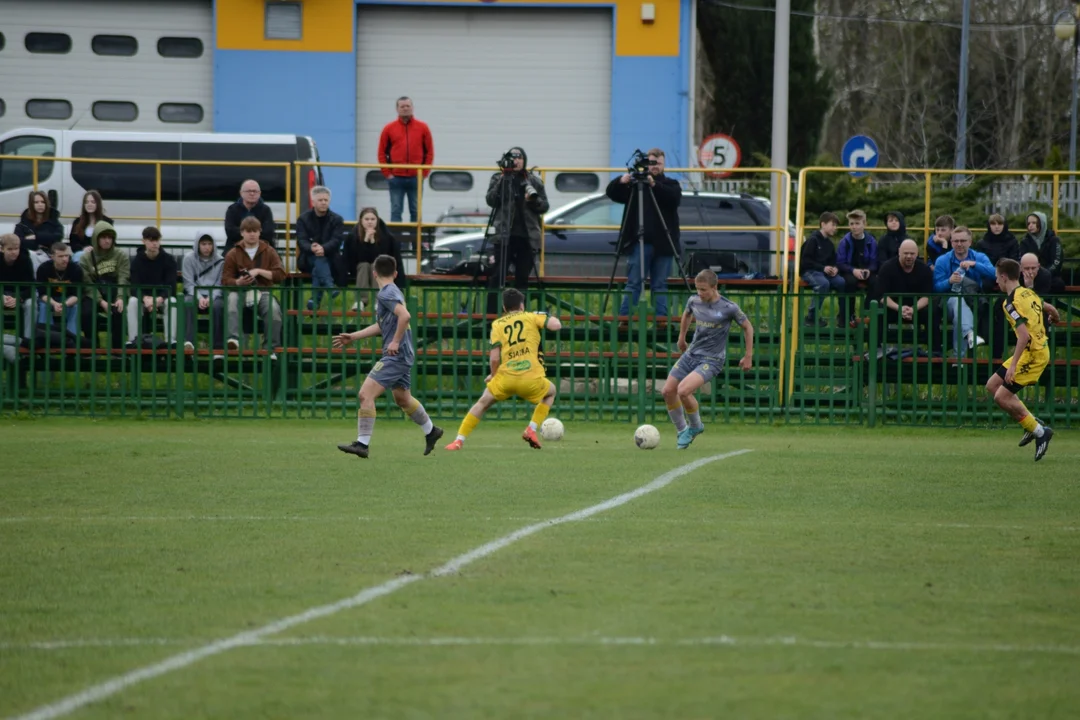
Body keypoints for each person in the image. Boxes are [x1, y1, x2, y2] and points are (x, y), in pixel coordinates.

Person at [333, 254, 443, 458]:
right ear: (395, 273)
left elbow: (405, 316)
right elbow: (383, 325)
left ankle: (362, 444)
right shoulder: (394, 291)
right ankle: (431, 431)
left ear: (374, 273)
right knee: (403, 399)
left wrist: (394, 341)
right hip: (403, 354)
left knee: (365, 395)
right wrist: (354, 336)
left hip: (396, 354)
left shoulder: (386, 294)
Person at [444, 287, 562, 451]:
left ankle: (458, 441)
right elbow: (556, 325)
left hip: (506, 378)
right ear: (522, 306)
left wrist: (493, 375)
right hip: (530, 378)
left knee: (482, 403)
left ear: (504, 308)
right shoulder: (532, 317)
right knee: (551, 392)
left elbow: (494, 358)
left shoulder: (498, 324)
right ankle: (531, 429)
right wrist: (542, 314)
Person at [662, 269, 753, 450]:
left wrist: (748, 355)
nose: (700, 293)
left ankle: (695, 426)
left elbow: (748, 327)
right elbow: (687, 314)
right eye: (697, 289)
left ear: (715, 287)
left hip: (712, 359)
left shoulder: (729, 308)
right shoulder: (694, 300)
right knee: (667, 391)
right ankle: (682, 431)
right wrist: (682, 337)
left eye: (704, 290)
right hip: (691, 354)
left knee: (683, 391)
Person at [985, 258, 1059, 461]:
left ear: (1003, 277)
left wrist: (1014, 365)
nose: (996, 283)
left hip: (1033, 354)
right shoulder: (1028, 292)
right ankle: (1032, 423)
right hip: (1032, 350)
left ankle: (1041, 432)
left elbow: (1024, 336)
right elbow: (1050, 309)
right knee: (992, 385)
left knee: (1001, 397)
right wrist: (1056, 317)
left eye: (997, 278)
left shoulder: (1009, 303)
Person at [607, 148, 682, 327]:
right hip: (639, 242)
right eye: (652, 163)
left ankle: (661, 320)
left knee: (660, 284)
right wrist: (621, 181)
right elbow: (612, 193)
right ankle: (625, 319)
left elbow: (674, 199)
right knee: (634, 282)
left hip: (664, 244)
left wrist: (653, 184)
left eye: (658, 163)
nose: (655, 167)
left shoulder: (670, 184)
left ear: (664, 164)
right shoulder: (635, 187)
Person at [484, 146, 549, 315]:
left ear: (524, 160)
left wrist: (532, 201)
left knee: (522, 279)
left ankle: (520, 316)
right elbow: (491, 200)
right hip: (504, 236)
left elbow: (544, 206)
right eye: (513, 158)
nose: (516, 161)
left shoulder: (533, 181)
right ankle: (492, 316)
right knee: (498, 276)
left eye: (520, 158)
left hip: (527, 237)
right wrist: (503, 179)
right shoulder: (499, 178)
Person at [222, 216, 285, 354]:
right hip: (239, 291)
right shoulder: (233, 253)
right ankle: (233, 340)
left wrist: (258, 271)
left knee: (274, 311)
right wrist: (238, 282)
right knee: (231, 303)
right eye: (248, 231)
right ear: (242, 232)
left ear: (259, 232)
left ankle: (270, 349)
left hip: (263, 291)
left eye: (254, 231)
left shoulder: (269, 251)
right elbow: (225, 280)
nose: (251, 234)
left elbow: (280, 275)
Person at [932, 226, 994, 356]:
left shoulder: (979, 257)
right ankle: (970, 334)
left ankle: (958, 362)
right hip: (947, 304)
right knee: (957, 300)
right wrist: (949, 281)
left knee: (958, 318)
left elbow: (994, 274)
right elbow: (936, 287)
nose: (959, 244)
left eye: (963, 241)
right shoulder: (942, 260)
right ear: (951, 242)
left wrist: (975, 265)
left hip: (974, 303)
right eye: (955, 241)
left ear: (970, 242)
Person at [378, 96, 434, 224]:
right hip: (396, 178)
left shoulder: (423, 128)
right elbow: (381, 153)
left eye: (408, 106)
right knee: (396, 211)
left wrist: (424, 173)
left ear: (412, 108)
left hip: (416, 177)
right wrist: (388, 174)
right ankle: (397, 244)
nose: (405, 109)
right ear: (397, 109)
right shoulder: (389, 129)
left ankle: (415, 243)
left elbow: (429, 152)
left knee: (416, 211)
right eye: (402, 106)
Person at [875, 239, 936, 350]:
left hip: (916, 309)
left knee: (932, 312)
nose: (909, 256)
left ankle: (934, 351)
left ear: (917, 253)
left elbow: (927, 296)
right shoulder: (887, 268)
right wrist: (899, 308)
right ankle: (875, 351)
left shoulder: (924, 270)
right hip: (893, 308)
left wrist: (913, 309)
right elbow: (882, 296)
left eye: (912, 253)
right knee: (878, 312)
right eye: (905, 253)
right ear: (899, 252)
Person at [79, 220, 129, 349]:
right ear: (96, 238)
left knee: (119, 311)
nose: (107, 241)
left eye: (110, 238)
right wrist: (101, 302)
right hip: (94, 292)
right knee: (86, 312)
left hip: (114, 290)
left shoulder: (120, 255)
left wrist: (120, 297)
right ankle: (93, 348)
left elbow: (124, 278)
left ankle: (116, 351)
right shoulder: (86, 258)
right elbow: (87, 283)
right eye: (103, 237)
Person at [342, 207, 404, 312]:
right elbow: (357, 258)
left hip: (382, 269)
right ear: (361, 220)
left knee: (375, 266)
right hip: (358, 270)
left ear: (377, 220)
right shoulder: (353, 236)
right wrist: (366, 240)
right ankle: (360, 301)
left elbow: (381, 258)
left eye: (372, 219)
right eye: (366, 219)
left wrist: (373, 242)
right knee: (364, 265)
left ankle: (379, 300)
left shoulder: (385, 236)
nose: (370, 222)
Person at [126, 226, 178, 348]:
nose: (155, 244)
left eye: (157, 240)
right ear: (143, 241)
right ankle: (133, 339)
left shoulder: (168, 260)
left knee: (172, 301)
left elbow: (171, 286)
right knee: (132, 301)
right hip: (144, 299)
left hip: (161, 298)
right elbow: (134, 286)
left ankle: (171, 340)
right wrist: (145, 299)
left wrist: (159, 299)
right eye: (151, 240)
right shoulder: (137, 261)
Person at [296, 185, 347, 310]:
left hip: (331, 259)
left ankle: (315, 299)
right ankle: (329, 287)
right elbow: (301, 240)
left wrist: (323, 248)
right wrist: (312, 248)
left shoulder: (337, 219)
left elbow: (337, 240)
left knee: (318, 265)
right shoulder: (303, 219)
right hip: (308, 258)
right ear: (313, 202)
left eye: (326, 200)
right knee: (318, 261)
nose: (324, 202)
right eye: (320, 200)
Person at [181, 231, 224, 354]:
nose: (207, 247)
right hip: (194, 293)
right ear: (198, 244)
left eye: (210, 244)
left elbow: (219, 284)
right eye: (203, 244)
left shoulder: (221, 260)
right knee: (187, 303)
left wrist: (210, 297)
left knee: (219, 306)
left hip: (214, 295)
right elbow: (188, 283)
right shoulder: (188, 259)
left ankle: (218, 348)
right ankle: (189, 342)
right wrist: (199, 297)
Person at [799, 211, 845, 326]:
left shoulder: (829, 244)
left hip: (823, 272)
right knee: (823, 284)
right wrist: (823, 268)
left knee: (841, 282)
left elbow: (833, 261)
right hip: (809, 271)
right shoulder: (813, 240)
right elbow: (806, 261)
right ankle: (811, 317)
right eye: (833, 225)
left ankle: (843, 316)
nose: (835, 228)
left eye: (836, 225)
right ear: (823, 224)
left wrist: (834, 269)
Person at [836, 209, 878, 326]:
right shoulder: (845, 241)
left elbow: (875, 261)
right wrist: (853, 270)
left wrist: (869, 270)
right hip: (850, 270)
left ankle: (867, 312)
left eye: (857, 223)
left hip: (866, 270)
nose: (854, 227)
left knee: (876, 282)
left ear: (864, 224)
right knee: (849, 283)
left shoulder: (871, 241)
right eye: (851, 224)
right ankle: (848, 316)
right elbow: (840, 262)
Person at [35, 242, 83, 339]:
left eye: (67, 255)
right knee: (44, 306)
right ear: (52, 257)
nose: (65, 259)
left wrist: (64, 304)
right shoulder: (43, 268)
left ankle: (71, 340)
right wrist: (54, 303)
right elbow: (42, 293)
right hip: (49, 298)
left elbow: (77, 295)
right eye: (60, 256)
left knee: (75, 307)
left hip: (68, 298)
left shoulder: (76, 269)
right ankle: (47, 338)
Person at [1018, 212, 1066, 294]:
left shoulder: (1054, 240)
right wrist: (1031, 273)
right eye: (1028, 223)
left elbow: (1056, 262)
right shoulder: (1025, 242)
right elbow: (1022, 260)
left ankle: (1046, 305)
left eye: (1034, 223)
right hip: (1029, 276)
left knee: (1058, 284)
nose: (1030, 225)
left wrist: (1043, 274)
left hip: (1050, 276)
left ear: (1042, 223)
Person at [224, 180, 276, 253]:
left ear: (260, 193)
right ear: (241, 193)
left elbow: (268, 233)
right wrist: (252, 235)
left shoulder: (266, 210)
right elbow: (230, 232)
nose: (252, 194)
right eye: (248, 191)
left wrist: (246, 234)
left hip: (262, 248)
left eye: (255, 191)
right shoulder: (232, 209)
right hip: (236, 247)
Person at [0, 233, 36, 339]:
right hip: (2, 294)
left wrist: (18, 298)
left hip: (21, 294)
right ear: (2, 249)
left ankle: (28, 341)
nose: (14, 252)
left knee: (31, 305)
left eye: (16, 248)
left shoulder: (25, 260)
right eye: (10, 249)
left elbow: (31, 286)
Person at [14, 190, 64, 254]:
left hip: (49, 254)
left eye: (43, 202)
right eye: (36, 202)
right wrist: (40, 243)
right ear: (31, 204)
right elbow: (18, 240)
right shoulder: (23, 223)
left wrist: (36, 237)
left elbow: (58, 237)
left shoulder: (54, 221)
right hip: (29, 253)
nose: (40, 205)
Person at [68, 190, 111, 261]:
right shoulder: (77, 222)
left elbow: (110, 243)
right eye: (86, 202)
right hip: (83, 254)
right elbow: (73, 243)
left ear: (98, 204)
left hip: (101, 254)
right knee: (78, 257)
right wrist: (84, 249)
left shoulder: (107, 222)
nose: (89, 204)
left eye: (93, 202)